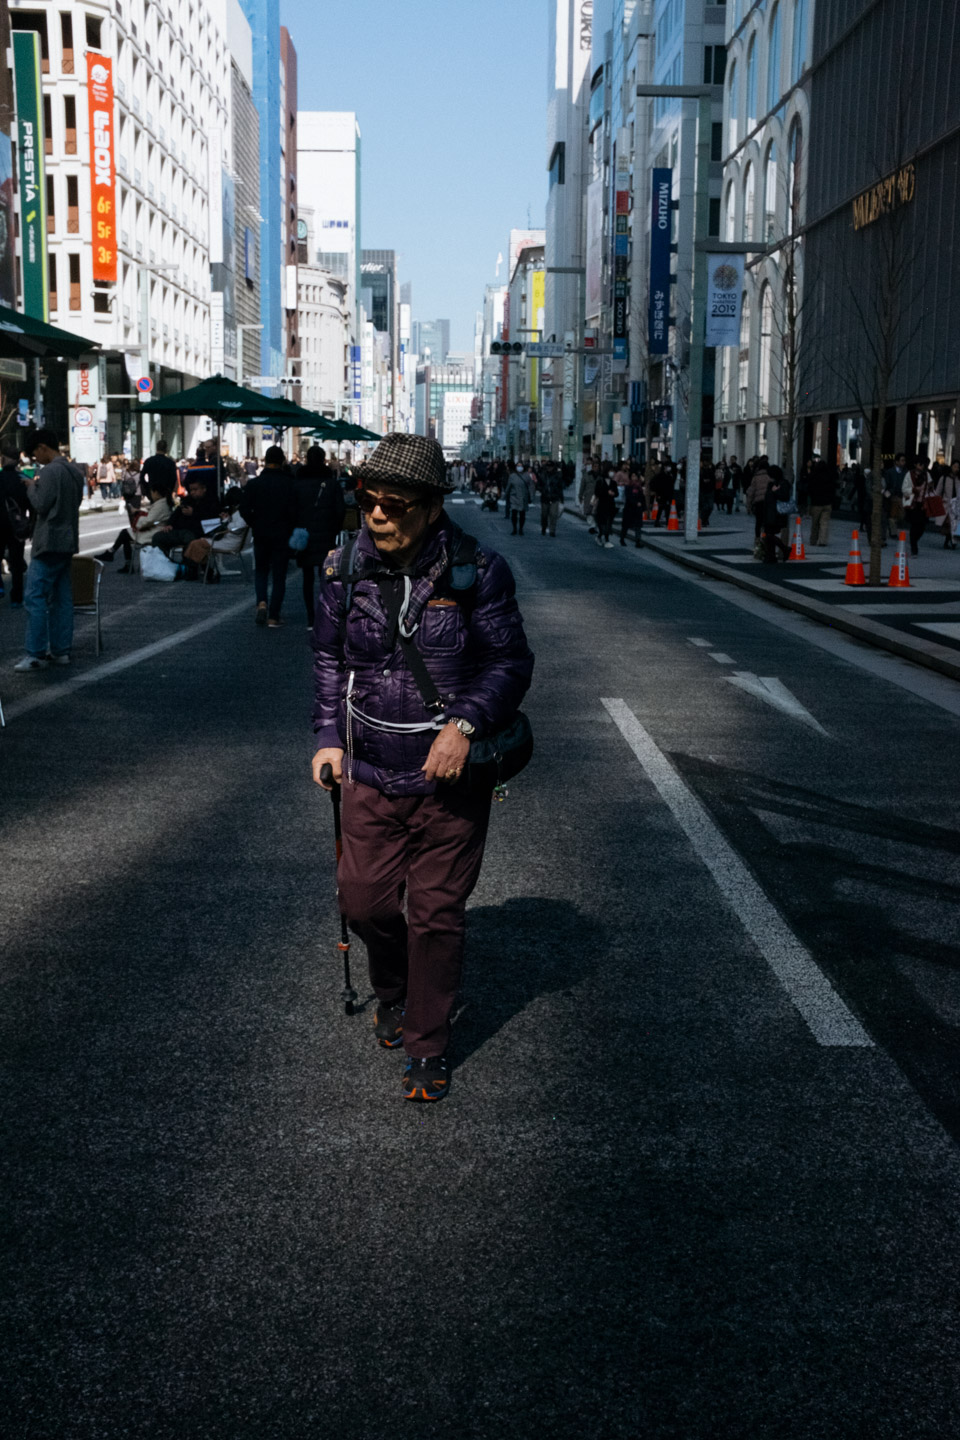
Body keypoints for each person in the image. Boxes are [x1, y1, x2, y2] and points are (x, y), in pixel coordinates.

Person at [311, 433, 534, 1102]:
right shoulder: (342, 568)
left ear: (432, 507)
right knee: (365, 902)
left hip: (449, 784)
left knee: (437, 916)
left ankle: (427, 1044)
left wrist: (464, 726)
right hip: (369, 773)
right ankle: (394, 988)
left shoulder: (477, 571)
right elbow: (328, 660)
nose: (376, 515)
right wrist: (327, 735)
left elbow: (509, 663)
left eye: (393, 504)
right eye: (367, 500)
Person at [14, 428, 84, 672]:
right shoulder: (75, 471)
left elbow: (41, 504)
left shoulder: (50, 471)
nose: (36, 459)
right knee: (62, 598)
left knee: (34, 596)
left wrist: (31, 486)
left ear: (43, 447)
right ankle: (61, 650)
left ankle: (35, 653)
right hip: (68, 538)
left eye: (36, 454)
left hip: (49, 540)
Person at [239, 445, 296, 626]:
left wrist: (254, 522)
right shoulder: (290, 483)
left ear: (265, 460)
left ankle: (261, 602)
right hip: (283, 533)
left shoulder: (254, 484)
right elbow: (297, 510)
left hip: (261, 532)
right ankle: (274, 615)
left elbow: (244, 509)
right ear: (282, 461)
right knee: (279, 575)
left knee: (261, 571)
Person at [293, 445, 345, 628]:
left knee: (307, 578)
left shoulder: (298, 483)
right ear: (323, 459)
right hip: (326, 534)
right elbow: (340, 510)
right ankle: (326, 614)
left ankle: (310, 616)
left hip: (304, 535)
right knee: (327, 576)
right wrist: (335, 529)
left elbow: (292, 509)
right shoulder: (331, 483)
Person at [96, 481, 174, 571]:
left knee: (125, 533)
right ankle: (114, 555)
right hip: (156, 528)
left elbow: (149, 521)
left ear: (156, 493)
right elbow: (153, 518)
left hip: (155, 531)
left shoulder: (161, 505)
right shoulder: (163, 503)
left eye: (152, 492)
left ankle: (114, 555)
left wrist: (139, 520)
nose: (151, 495)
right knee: (126, 533)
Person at [0, 439, 31, 607]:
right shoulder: (24, 479)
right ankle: (17, 597)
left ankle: (0, 587)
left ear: (3, 459)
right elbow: (30, 502)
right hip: (17, 525)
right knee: (17, 561)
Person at [902, 463, 930, 555]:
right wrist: (913, 490)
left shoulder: (927, 475)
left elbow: (931, 486)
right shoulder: (909, 474)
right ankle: (914, 546)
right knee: (914, 526)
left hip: (923, 504)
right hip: (913, 504)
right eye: (919, 464)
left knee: (922, 527)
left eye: (922, 465)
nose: (921, 467)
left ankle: (914, 541)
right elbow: (904, 488)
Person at [807, 460, 836, 546]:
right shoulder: (829, 476)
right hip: (827, 503)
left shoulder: (814, 476)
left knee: (815, 523)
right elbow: (833, 489)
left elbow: (809, 489)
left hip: (816, 503)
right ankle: (823, 540)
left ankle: (813, 540)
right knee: (824, 523)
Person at [140, 438, 178, 502]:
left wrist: (148, 488)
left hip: (153, 490)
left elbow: (141, 476)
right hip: (165, 491)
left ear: (156, 448)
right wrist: (170, 490)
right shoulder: (170, 462)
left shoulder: (149, 461)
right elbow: (173, 478)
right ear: (166, 449)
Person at [504, 462, 534, 535]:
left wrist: (531, 496)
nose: (519, 467)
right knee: (514, 513)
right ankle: (514, 528)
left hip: (523, 497)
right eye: (518, 466)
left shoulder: (527, 476)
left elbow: (531, 486)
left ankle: (521, 528)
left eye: (521, 466)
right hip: (514, 497)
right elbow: (508, 486)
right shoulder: (512, 476)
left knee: (522, 514)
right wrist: (505, 494)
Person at [936, 460, 960, 549]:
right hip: (947, 504)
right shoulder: (944, 478)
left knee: (956, 524)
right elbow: (938, 491)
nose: (956, 469)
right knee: (949, 524)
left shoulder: (959, 479)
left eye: (958, 467)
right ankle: (950, 541)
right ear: (951, 467)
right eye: (955, 466)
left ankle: (952, 541)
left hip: (957, 505)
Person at [539, 462, 565, 536]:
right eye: (548, 466)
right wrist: (542, 490)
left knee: (553, 515)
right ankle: (544, 526)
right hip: (545, 498)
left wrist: (561, 498)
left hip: (554, 497)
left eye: (551, 466)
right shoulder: (543, 475)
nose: (549, 468)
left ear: (554, 467)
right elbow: (538, 485)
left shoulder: (557, 476)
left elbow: (560, 488)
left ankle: (552, 530)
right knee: (544, 515)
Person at [620, 468, 644, 547]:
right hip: (629, 508)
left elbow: (642, 496)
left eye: (635, 476)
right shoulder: (628, 486)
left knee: (638, 526)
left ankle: (638, 541)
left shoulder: (639, 487)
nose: (634, 478)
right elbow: (628, 497)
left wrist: (641, 503)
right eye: (632, 476)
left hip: (637, 509)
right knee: (626, 525)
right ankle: (622, 538)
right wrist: (636, 503)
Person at [593, 470, 617, 547]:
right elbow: (597, 492)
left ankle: (606, 538)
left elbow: (616, 493)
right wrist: (607, 492)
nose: (612, 473)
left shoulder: (613, 483)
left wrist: (613, 493)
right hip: (602, 505)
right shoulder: (600, 482)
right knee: (602, 522)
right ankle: (600, 536)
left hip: (610, 505)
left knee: (608, 523)